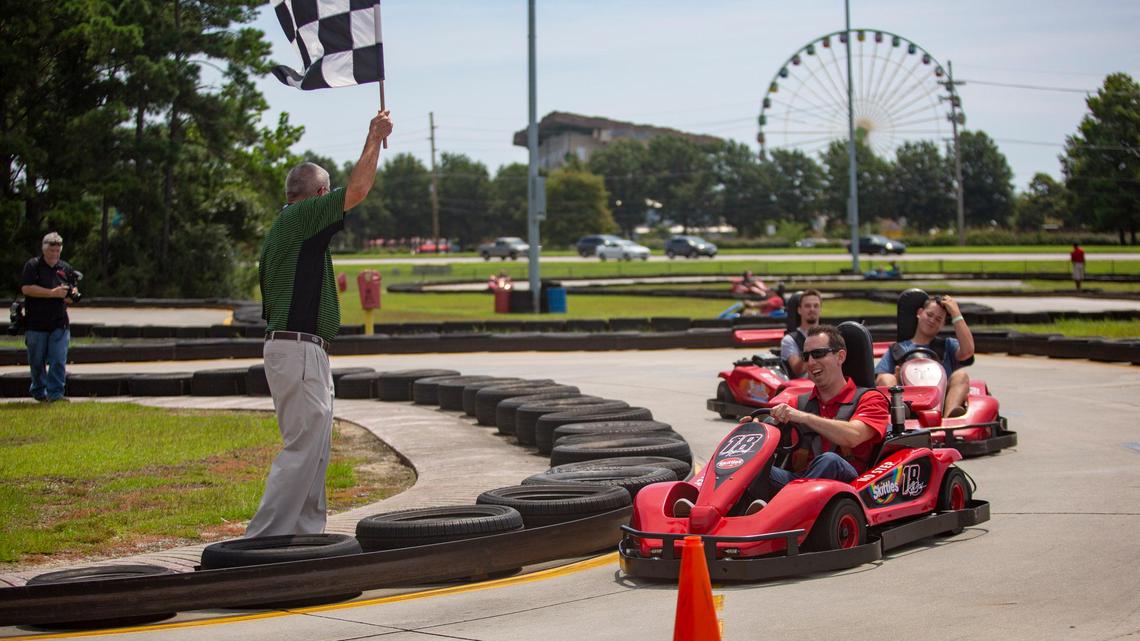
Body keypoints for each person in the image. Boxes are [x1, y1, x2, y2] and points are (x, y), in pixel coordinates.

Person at [246, 110, 393, 538]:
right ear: (320, 193)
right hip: (297, 348)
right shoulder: (301, 218)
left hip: (294, 348)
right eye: (328, 195)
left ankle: (306, 533)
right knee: (304, 447)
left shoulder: (284, 227)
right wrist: (373, 136)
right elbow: (360, 188)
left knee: (315, 448)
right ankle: (263, 540)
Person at [675, 325, 890, 517]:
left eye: (818, 354)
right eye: (806, 356)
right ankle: (708, 508)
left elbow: (853, 436)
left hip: (851, 482)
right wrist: (752, 432)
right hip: (799, 481)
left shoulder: (870, 398)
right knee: (750, 463)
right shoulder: (800, 401)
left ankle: (774, 512)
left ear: (840, 356)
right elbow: (772, 436)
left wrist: (804, 417)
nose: (811, 362)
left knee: (829, 460)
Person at [874, 294, 975, 417]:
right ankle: (901, 414)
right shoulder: (897, 349)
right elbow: (879, 380)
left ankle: (950, 417)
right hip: (907, 406)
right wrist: (897, 377)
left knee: (961, 375)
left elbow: (968, 351)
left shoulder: (947, 346)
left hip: (941, 405)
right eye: (929, 315)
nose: (932, 320)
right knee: (885, 378)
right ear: (920, 313)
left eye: (938, 319)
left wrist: (955, 313)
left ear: (943, 324)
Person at [20, 232, 79, 402]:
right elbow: (26, 288)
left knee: (58, 359)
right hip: (36, 322)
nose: (54, 254)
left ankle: (56, 394)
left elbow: (70, 295)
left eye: (57, 251)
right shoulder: (33, 266)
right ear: (44, 250)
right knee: (36, 361)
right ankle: (38, 390)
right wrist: (51, 293)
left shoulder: (65, 269)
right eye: (51, 250)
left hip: (59, 322)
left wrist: (72, 294)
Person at [779, 289, 823, 378]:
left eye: (816, 306)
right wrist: (810, 348)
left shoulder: (829, 336)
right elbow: (798, 371)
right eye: (807, 306)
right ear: (799, 310)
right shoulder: (789, 340)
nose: (812, 309)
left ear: (820, 309)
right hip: (804, 386)